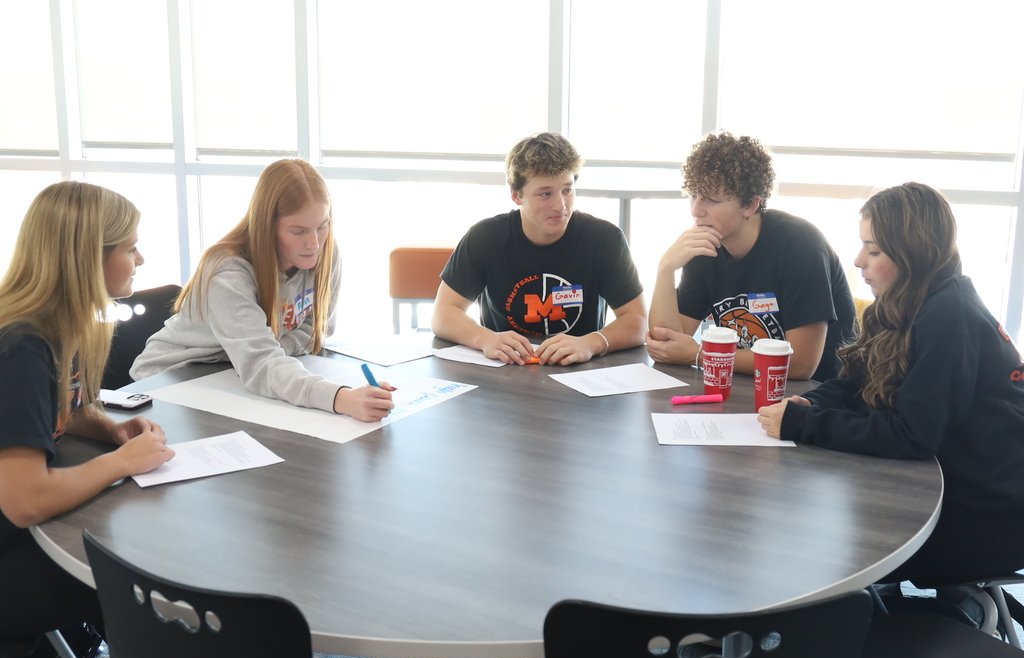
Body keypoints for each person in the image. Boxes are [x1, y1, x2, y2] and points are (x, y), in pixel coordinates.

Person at [758, 181, 1024, 585]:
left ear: (912, 255)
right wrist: (813, 404)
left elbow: (910, 435)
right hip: (956, 483)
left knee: (817, 544)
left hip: (988, 516)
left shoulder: (949, 318)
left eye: (874, 250)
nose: (858, 260)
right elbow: (856, 381)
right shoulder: (909, 300)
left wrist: (802, 426)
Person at [0, 181, 175, 643]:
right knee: (156, 577)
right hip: (10, 550)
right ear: (88, 258)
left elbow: (66, 408)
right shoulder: (22, 347)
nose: (141, 261)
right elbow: (25, 500)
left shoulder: (58, 324)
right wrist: (121, 462)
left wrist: (112, 431)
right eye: (131, 248)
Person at [131, 159, 394, 422]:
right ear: (266, 225)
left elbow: (318, 328)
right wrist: (342, 398)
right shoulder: (229, 270)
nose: (314, 243)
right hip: (169, 383)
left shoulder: (325, 253)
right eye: (298, 230)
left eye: (322, 226)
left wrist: (273, 351)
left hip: (232, 376)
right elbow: (260, 365)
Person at [647, 132, 856, 382]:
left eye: (712, 200)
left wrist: (704, 355)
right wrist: (666, 269)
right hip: (743, 386)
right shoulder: (705, 244)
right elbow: (665, 346)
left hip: (813, 399)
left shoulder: (801, 247)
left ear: (750, 205)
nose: (695, 210)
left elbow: (801, 364)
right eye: (693, 195)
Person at [431, 132, 646, 365]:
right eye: (546, 194)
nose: (560, 206)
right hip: (506, 369)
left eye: (567, 190)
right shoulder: (485, 237)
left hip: (579, 370)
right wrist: (485, 339)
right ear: (516, 195)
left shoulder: (605, 238)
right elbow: (444, 314)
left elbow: (637, 320)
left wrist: (591, 343)